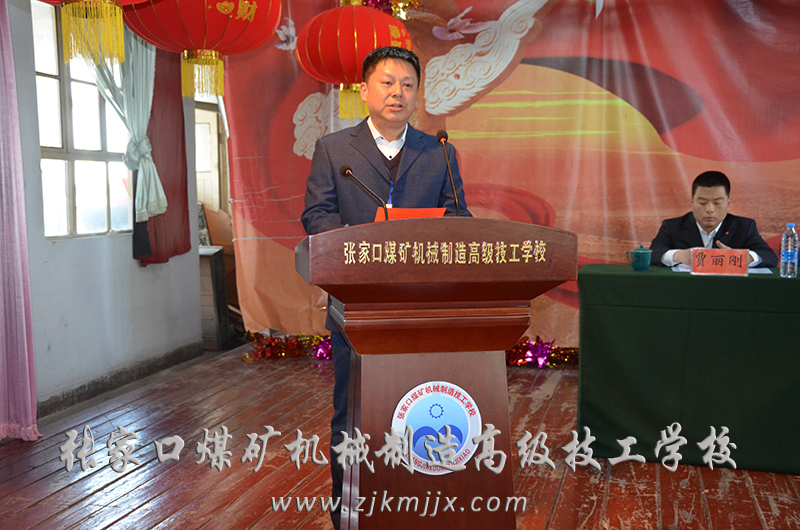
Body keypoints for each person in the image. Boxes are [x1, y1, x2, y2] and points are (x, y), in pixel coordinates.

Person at [300, 46, 470, 530]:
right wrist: (359, 250)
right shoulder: (334, 149)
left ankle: (419, 505)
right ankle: (349, 511)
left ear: (418, 94)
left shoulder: (439, 151)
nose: (399, 93)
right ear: (364, 90)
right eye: (388, 82)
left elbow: (458, 217)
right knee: (354, 408)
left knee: (422, 404)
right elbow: (317, 215)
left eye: (408, 85)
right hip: (357, 303)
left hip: (423, 304)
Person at [649, 170, 777, 267]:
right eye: (702, 203)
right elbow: (653, 253)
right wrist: (679, 256)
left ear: (728, 203)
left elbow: (769, 256)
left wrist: (740, 258)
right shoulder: (672, 226)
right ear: (692, 203)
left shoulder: (743, 227)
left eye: (717, 203)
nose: (710, 209)